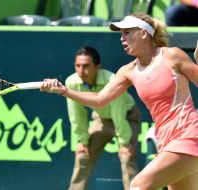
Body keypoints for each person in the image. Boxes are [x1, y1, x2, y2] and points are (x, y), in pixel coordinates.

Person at [41, 12, 198, 189]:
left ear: (143, 33)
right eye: (121, 34)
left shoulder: (172, 56)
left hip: (189, 134)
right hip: (165, 141)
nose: (122, 38)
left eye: (127, 33)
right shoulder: (128, 71)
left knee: (138, 185)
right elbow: (100, 99)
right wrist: (64, 91)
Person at [64, 46, 141, 190]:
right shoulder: (71, 83)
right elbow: (76, 114)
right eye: (78, 65)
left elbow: (118, 112)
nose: (81, 70)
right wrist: (82, 141)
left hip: (127, 117)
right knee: (82, 155)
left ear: (97, 66)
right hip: (101, 119)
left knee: (126, 157)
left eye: (86, 66)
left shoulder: (111, 79)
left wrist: (124, 142)